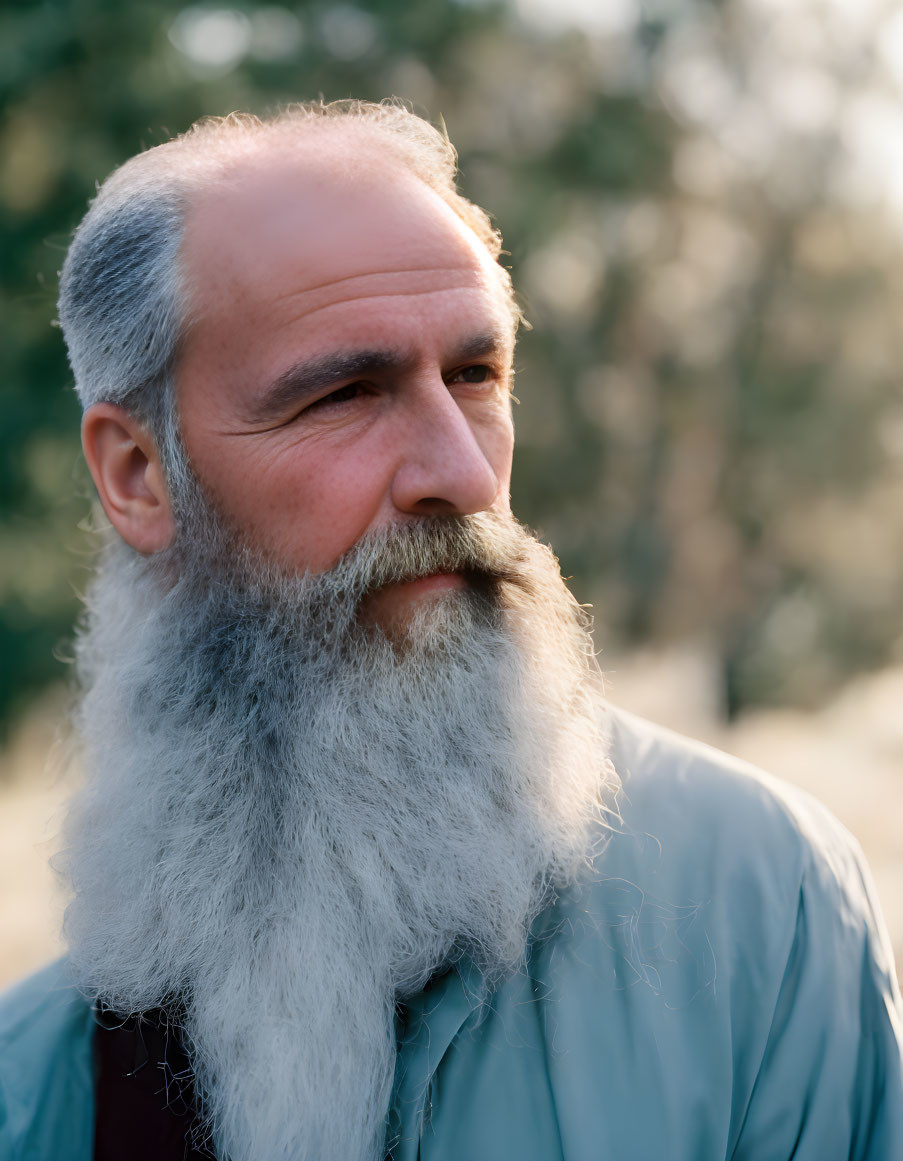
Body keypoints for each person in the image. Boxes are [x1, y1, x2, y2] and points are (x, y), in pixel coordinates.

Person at [0, 99, 900, 1161]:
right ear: (139, 477)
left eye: (476, 376)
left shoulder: (761, 909)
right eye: (345, 394)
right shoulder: (38, 1080)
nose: (466, 477)